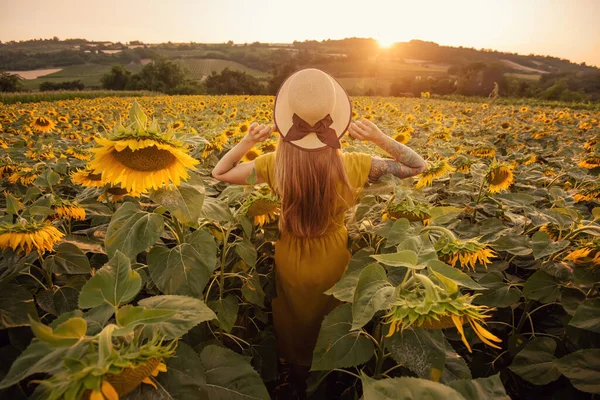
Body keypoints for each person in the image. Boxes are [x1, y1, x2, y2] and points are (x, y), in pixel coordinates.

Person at [211, 68, 427, 398]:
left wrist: (248, 141)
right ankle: (330, 379)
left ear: (287, 122)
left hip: (292, 258)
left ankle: (297, 381)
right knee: (331, 325)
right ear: (333, 120)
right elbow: (416, 166)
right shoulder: (353, 164)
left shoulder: (273, 164)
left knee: (296, 323)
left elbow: (219, 172)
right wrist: (379, 137)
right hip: (334, 257)